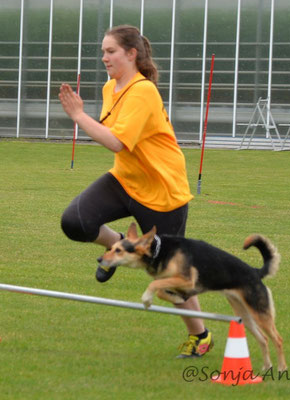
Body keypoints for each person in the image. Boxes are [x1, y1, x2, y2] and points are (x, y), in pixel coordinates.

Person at [58, 25, 212, 358]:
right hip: (125, 179)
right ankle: (120, 247)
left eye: (110, 51)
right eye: (102, 51)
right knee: (75, 222)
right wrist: (85, 116)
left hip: (162, 190)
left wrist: (78, 115)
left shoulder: (144, 91)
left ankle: (201, 335)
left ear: (131, 54)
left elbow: (115, 140)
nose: (104, 58)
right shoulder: (109, 87)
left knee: (171, 277)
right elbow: (114, 140)